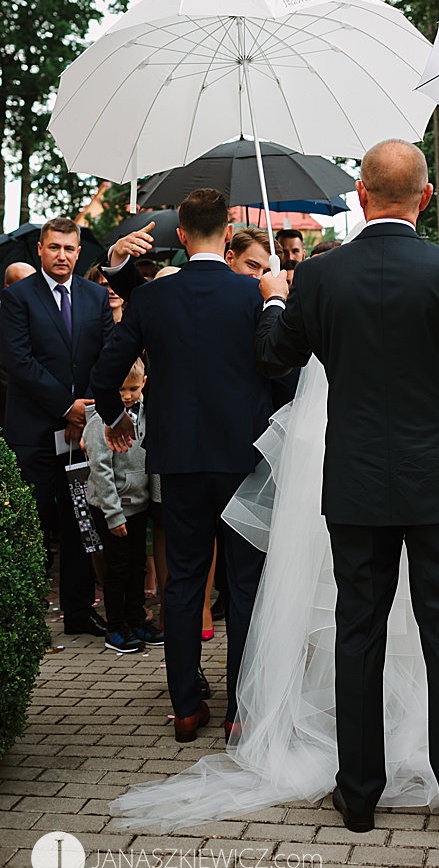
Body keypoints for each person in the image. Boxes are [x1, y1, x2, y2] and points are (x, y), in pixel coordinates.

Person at [254, 141, 439, 838]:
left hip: (355, 481)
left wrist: (272, 301)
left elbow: (274, 356)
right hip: (438, 483)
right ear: (428, 194)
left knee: (358, 632)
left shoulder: (321, 276)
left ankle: (357, 793)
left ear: (359, 192)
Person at [93, 192, 275, 743]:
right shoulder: (254, 294)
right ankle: (240, 710)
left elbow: (106, 374)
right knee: (244, 585)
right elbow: (282, 368)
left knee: (182, 582)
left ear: (180, 233)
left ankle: (186, 708)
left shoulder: (153, 299)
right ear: (227, 234)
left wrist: (116, 415)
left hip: (179, 460)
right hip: (245, 459)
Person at [1, 218, 115, 638]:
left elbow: (106, 355)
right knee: (33, 522)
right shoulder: (18, 297)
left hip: (81, 430)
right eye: (54, 248)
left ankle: (80, 611)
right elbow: (17, 360)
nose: (62, 255)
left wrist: (84, 409)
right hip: (33, 430)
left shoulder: (94, 295)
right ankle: (26, 616)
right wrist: (65, 406)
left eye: (69, 248)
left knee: (80, 521)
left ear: (79, 250)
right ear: (41, 250)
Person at [84, 358, 159, 655]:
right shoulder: (100, 421)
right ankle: (115, 625)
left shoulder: (145, 414)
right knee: (117, 569)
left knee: (137, 565)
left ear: (143, 385)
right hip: (112, 508)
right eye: (120, 389)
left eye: (132, 388)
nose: (126, 395)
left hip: (139, 505)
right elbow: (100, 470)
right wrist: (113, 515)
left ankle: (135, 617)